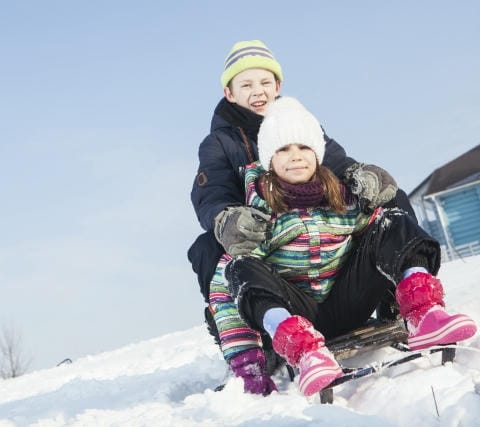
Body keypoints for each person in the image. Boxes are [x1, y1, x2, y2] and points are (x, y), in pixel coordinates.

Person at [212, 96, 477, 397]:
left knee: (390, 221)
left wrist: (375, 186)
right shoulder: (258, 216)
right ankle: (303, 350)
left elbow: (383, 242)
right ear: (269, 160)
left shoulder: (342, 198)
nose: (295, 156)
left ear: (318, 153)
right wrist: (246, 361)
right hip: (299, 315)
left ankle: (423, 312)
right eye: (283, 149)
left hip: (349, 302)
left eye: (304, 147)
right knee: (238, 266)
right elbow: (226, 290)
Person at [188, 39, 409, 376]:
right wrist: (227, 218)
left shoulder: (301, 124)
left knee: (392, 201)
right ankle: (253, 334)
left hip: (321, 246)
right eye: (245, 85)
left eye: (264, 82)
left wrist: (362, 177)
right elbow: (211, 192)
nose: (257, 91)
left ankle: (398, 294)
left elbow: (338, 163)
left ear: (277, 86)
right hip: (269, 250)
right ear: (229, 93)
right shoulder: (221, 143)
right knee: (206, 248)